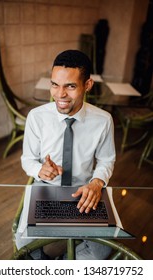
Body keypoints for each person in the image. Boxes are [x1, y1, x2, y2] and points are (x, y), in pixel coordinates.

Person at [17, 49, 116, 259]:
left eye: (70, 86)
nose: (60, 94)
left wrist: (97, 183)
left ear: (87, 85)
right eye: (55, 84)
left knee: (102, 251)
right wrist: (39, 170)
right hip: (45, 188)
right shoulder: (36, 117)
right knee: (23, 244)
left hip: (84, 190)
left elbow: (106, 159)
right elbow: (27, 159)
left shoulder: (104, 120)